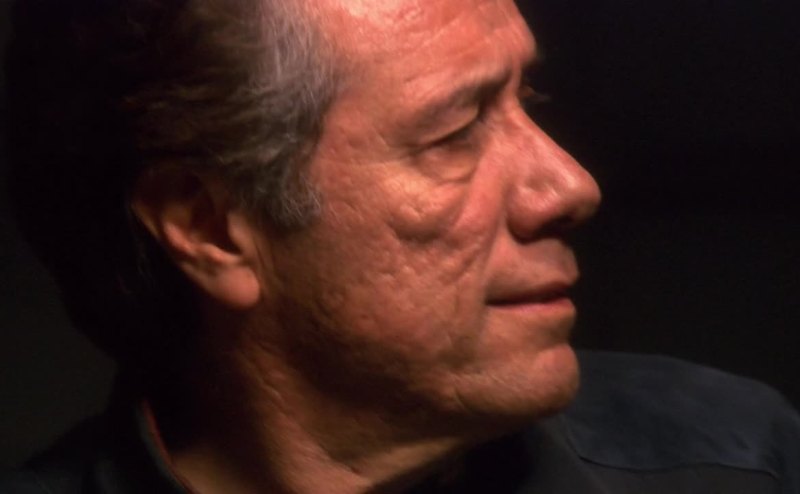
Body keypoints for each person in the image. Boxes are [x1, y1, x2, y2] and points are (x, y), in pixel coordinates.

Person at [2, 0, 798, 492]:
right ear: (210, 229)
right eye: (455, 132)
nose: (571, 185)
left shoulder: (738, 461)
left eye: (528, 97)